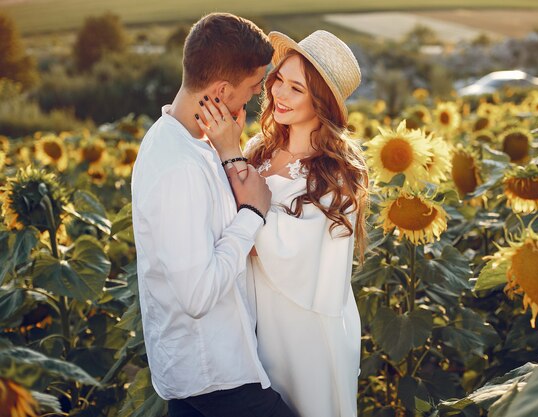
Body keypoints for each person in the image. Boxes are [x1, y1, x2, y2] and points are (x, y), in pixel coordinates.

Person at [131, 13, 296, 417]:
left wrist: (228, 148)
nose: (261, 94)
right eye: (255, 84)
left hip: (212, 371)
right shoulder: (179, 167)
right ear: (221, 89)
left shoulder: (184, 141)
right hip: (215, 378)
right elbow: (198, 295)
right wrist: (252, 215)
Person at [200, 30, 368, 417]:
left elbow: (268, 244)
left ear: (321, 102)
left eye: (297, 88)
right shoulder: (259, 150)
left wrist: (228, 150)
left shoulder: (336, 175)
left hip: (305, 329)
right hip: (255, 316)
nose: (279, 94)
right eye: (279, 80)